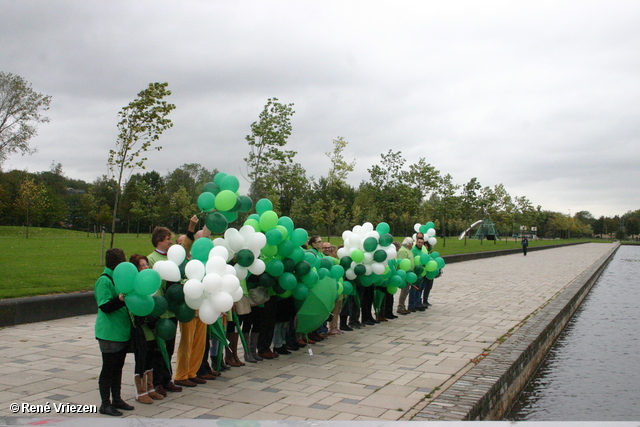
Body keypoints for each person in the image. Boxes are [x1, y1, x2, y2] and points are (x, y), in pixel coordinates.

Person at [94, 248, 135, 417]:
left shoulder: (121, 278)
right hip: (109, 333)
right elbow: (104, 306)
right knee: (108, 369)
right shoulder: (104, 280)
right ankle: (105, 403)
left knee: (118, 367)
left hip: (122, 331)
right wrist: (120, 300)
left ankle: (117, 399)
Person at [128, 254, 165, 405]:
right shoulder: (133, 287)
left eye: (146, 265)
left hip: (151, 329)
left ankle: (150, 388)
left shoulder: (150, 285)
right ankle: (140, 391)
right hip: (140, 329)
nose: (145, 268)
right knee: (141, 359)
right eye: (141, 265)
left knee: (150, 357)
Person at [396, 237, 414, 315]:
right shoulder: (403, 251)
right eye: (412, 244)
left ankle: (403, 306)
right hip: (405, 274)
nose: (412, 245)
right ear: (408, 244)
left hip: (409, 273)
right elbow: (403, 263)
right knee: (404, 290)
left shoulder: (408, 250)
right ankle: (400, 307)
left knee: (406, 291)